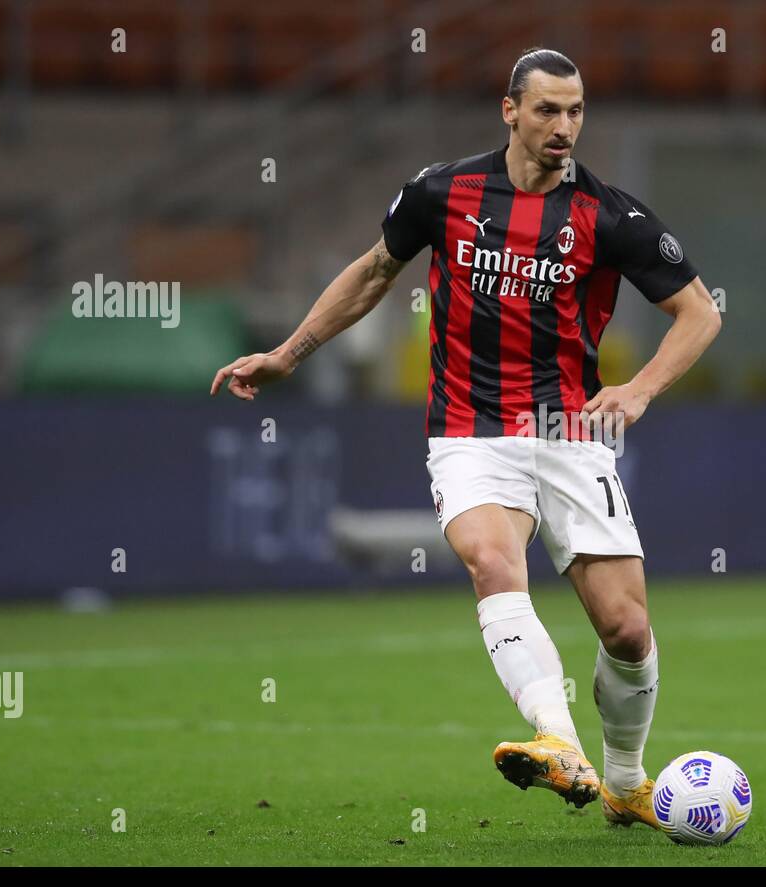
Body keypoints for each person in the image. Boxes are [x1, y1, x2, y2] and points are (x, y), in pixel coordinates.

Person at [210, 48, 721, 829]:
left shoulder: (609, 215)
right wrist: (288, 353)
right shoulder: (442, 192)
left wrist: (641, 389)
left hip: (568, 430)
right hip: (469, 426)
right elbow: (375, 271)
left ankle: (624, 782)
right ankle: (559, 742)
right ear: (509, 110)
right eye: (548, 109)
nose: (564, 126)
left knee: (625, 627)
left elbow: (700, 312)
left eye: (576, 110)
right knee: (491, 559)